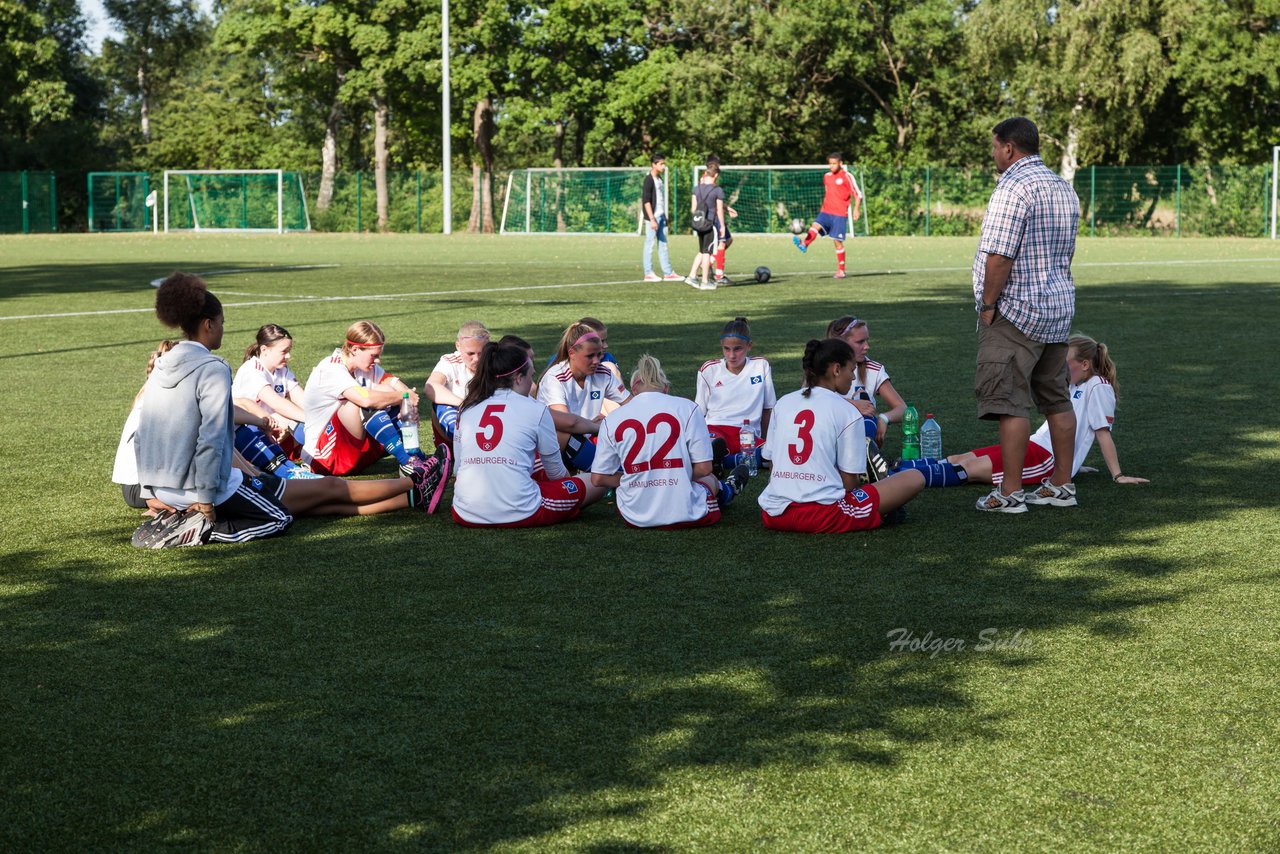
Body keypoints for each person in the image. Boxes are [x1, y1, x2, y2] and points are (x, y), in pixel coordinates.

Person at [132, 273, 296, 545]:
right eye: (221, 323)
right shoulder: (213, 368)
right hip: (202, 487)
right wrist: (206, 499)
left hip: (161, 486)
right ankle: (198, 531)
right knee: (281, 518)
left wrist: (151, 489)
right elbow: (211, 438)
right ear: (208, 324)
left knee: (259, 492)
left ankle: (185, 520)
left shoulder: (162, 364)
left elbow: (143, 431)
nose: (222, 328)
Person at [972, 116, 1082, 513]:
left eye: (994, 147)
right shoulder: (1063, 188)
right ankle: (1062, 485)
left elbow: (999, 256)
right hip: (1056, 308)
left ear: (1008, 148)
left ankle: (1010, 492)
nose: (993, 154)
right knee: (1056, 398)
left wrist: (987, 305)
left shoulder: (1012, 186)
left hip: (1015, 310)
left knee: (1009, 401)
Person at [897, 334, 1148, 502]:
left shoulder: (1099, 386)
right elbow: (1075, 428)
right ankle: (896, 471)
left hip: (1044, 458)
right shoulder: (1073, 384)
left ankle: (895, 479)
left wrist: (1117, 475)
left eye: (1065, 363)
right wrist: (1075, 461)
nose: (1060, 368)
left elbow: (1102, 432)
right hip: (1035, 445)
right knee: (963, 457)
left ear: (1084, 364)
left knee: (969, 470)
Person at [758, 339, 924, 533]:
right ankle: (883, 509)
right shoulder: (847, 411)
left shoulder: (783, 403)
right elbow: (849, 484)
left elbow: (771, 465)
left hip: (773, 514)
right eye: (851, 370)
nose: (853, 377)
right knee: (915, 477)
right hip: (822, 515)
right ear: (836, 369)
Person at [452, 341, 606, 527]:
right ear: (518, 378)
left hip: (464, 512)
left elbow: (458, 468)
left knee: (530, 463)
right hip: (522, 511)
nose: (533, 384)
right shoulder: (536, 409)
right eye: (531, 376)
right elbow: (556, 473)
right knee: (598, 480)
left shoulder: (467, 407)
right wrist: (566, 489)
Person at [591, 355, 749, 529]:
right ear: (665, 388)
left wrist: (638, 478)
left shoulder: (611, 419)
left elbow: (598, 478)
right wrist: (673, 475)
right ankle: (727, 491)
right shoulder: (687, 407)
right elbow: (704, 469)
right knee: (709, 479)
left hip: (635, 516)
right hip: (687, 513)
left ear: (634, 387)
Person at [303, 320, 450, 480]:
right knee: (363, 400)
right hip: (325, 457)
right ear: (354, 349)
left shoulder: (366, 367)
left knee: (386, 392)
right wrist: (403, 397)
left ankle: (416, 457)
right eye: (373, 356)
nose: (378, 360)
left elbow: (401, 388)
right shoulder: (330, 368)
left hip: (358, 454)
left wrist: (406, 403)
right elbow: (366, 400)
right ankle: (408, 461)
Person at [537, 320, 632, 471]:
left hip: (583, 438)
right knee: (564, 434)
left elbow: (632, 406)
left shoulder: (603, 373)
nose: (596, 361)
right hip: (549, 447)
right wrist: (597, 427)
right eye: (590, 356)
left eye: (599, 354)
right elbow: (567, 423)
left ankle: (616, 473)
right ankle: (615, 474)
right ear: (572, 353)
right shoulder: (555, 378)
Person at [231, 323, 317, 479]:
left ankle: (300, 466)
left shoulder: (281, 370)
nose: (289, 356)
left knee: (301, 419)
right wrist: (313, 420)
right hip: (252, 430)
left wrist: (319, 416)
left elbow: (301, 399)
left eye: (289, 351)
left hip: (272, 431)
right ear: (264, 350)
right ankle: (315, 462)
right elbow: (277, 403)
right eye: (284, 352)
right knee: (292, 419)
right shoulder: (251, 370)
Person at [695, 317, 775, 472]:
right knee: (708, 446)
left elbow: (768, 409)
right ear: (721, 346)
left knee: (776, 455)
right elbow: (699, 412)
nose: (731, 355)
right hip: (716, 429)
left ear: (749, 346)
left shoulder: (761, 366)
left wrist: (767, 442)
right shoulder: (709, 369)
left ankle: (724, 462)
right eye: (726, 349)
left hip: (747, 433)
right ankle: (727, 458)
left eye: (737, 349)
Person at [825, 315, 906, 447]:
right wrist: (852, 405)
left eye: (867, 340)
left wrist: (884, 418)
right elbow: (810, 400)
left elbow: (903, 409)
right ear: (842, 343)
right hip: (827, 436)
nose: (867, 346)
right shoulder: (821, 366)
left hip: (859, 440)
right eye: (860, 342)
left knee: (867, 422)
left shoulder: (872, 369)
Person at [793, 152, 862, 279]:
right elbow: (829, 193)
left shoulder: (847, 176)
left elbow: (858, 194)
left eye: (834, 164)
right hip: (826, 211)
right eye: (830, 164)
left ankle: (841, 271)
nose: (831, 166)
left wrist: (856, 209)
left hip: (840, 214)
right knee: (814, 226)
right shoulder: (826, 176)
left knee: (837, 242)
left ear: (840, 164)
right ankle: (805, 244)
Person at [425, 320, 490, 445]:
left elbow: (529, 389)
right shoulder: (451, 361)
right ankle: (464, 442)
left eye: (481, 353)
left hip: (487, 427)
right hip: (453, 430)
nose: (476, 359)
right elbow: (430, 387)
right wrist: (464, 404)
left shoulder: (496, 361)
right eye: (470, 353)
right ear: (458, 346)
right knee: (440, 404)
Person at [641, 154, 682, 282]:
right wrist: (652, 219)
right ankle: (648, 273)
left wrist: (664, 215)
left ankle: (668, 273)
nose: (664, 166)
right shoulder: (648, 179)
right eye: (661, 164)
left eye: (664, 163)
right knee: (650, 244)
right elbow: (646, 201)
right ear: (654, 164)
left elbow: (660, 199)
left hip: (661, 216)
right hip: (653, 218)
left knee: (663, 245)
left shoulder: (659, 179)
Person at [685, 163, 726, 291]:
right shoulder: (717, 190)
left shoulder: (696, 188)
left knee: (702, 250)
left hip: (699, 223)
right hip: (710, 225)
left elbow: (693, 209)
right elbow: (719, 210)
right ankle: (704, 281)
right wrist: (722, 226)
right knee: (707, 251)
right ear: (716, 175)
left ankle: (692, 276)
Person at [705, 154, 739, 286]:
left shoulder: (709, 178)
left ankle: (710, 262)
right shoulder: (707, 179)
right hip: (713, 217)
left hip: (713, 215)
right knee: (721, 242)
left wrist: (726, 208)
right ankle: (719, 274)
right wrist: (721, 219)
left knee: (728, 240)